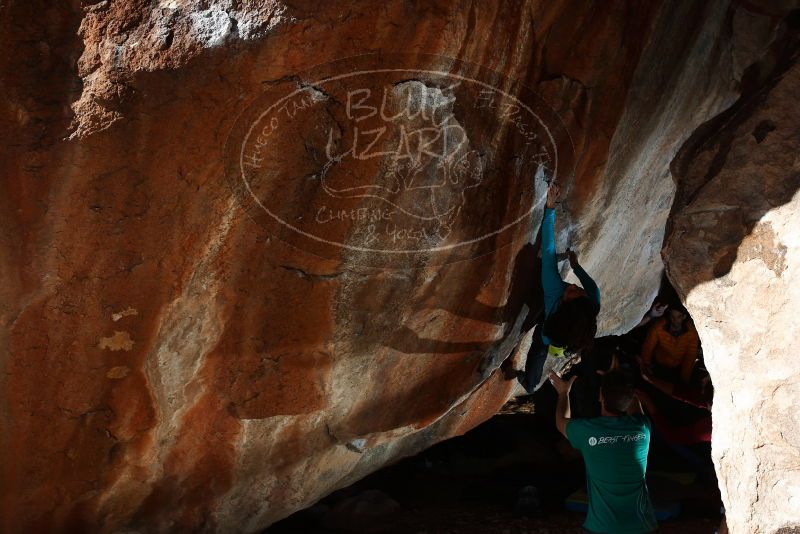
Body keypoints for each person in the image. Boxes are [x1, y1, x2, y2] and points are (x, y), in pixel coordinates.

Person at [550, 370, 658, 534]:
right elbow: (634, 405)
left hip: (603, 528)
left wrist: (564, 392)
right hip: (644, 527)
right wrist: (616, 381)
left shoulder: (587, 431)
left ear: (600, 395)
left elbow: (560, 421)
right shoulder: (642, 427)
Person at [518, 181, 600, 393]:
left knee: (540, 347)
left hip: (552, 330)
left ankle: (530, 383)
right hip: (571, 326)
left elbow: (548, 250)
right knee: (558, 340)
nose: (572, 286)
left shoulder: (554, 292)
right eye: (577, 290)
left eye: (571, 292)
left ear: (563, 302)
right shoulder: (592, 300)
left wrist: (550, 208)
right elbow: (589, 285)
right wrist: (576, 266)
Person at [640, 304, 699, 385]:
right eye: (672, 316)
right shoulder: (659, 327)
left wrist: (685, 379)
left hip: (677, 367)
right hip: (658, 363)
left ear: (684, 317)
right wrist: (646, 365)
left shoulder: (691, 333)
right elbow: (648, 346)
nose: (674, 320)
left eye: (678, 317)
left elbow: (690, 356)